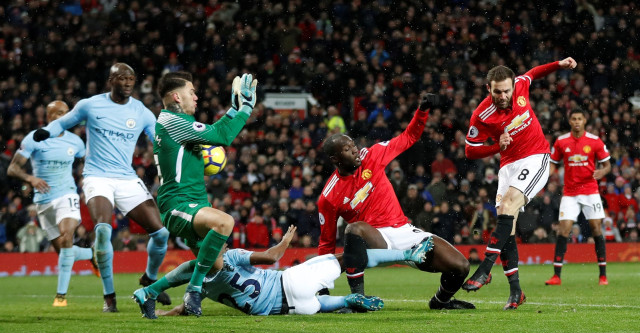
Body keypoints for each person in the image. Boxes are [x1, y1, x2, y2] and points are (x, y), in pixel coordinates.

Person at [32, 64, 171, 312]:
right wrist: (46, 131)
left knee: (161, 234)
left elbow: (159, 138)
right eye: (123, 78)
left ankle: (149, 280)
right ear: (111, 80)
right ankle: (109, 296)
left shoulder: (140, 111)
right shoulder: (91, 104)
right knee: (104, 231)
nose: (128, 83)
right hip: (97, 177)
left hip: (126, 178)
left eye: (131, 79)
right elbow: (63, 122)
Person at [317, 94, 475, 311]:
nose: (354, 150)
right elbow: (326, 243)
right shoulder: (329, 196)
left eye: (353, 145)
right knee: (354, 228)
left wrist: (421, 111)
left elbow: (409, 137)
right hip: (374, 238)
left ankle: (440, 301)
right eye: (347, 149)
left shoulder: (372, 156)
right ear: (335, 159)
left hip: (404, 231)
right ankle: (358, 299)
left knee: (460, 266)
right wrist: (322, 288)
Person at [462, 57, 577, 309]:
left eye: (507, 90)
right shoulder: (481, 115)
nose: (503, 96)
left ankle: (484, 269)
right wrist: (495, 147)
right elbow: (470, 151)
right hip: (507, 166)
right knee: (507, 222)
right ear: (488, 89)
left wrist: (560, 64)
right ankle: (516, 293)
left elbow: (535, 72)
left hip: (536, 157)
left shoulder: (522, 85)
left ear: (513, 85)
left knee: (508, 206)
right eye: (497, 91)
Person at [133, 225, 431, 318]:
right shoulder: (233, 256)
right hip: (289, 280)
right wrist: (287, 240)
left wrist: (161, 314)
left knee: (320, 304)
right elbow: (274, 256)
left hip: (285, 310)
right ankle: (408, 254)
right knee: (347, 258)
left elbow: (185, 307)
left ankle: (347, 303)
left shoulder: (198, 281)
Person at [149, 71, 257, 317]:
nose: (196, 97)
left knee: (213, 265)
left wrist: (232, 109)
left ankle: (149, 293)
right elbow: (222, 136)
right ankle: (193, 291)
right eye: (191, 92)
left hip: (194, 202)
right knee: (225, 222)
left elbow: (216, 129)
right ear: (177, 97)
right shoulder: (173, 122)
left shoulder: (174, 123)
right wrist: (246, 108)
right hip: (179, 204)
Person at [7, 100, 98, 307]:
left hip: (67, 195)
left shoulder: (75, 141)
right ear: (48, 117)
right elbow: (12, 169)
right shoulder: (34, 138)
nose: (63, 117)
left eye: (66, 113)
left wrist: (88, 181)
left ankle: (61, 296)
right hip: (43, 201)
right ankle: (90, 254)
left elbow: (88, 164)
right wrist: (30, 179)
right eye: (58, 113)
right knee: (63, 251)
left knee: (67, 238)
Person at [545, 108, 611, 286]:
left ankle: (602, 275)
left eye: (579, 119)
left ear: (584, 121)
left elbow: (607, 165)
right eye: (573, 118)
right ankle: (556, 276)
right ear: (569, 121)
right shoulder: (561, 141)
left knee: (596, 229)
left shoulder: (595, 141)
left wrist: (602, 171)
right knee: (563, 229)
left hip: (590, 190)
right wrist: (543, 179)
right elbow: (553, 164)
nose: (576, 122)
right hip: (570, 192)